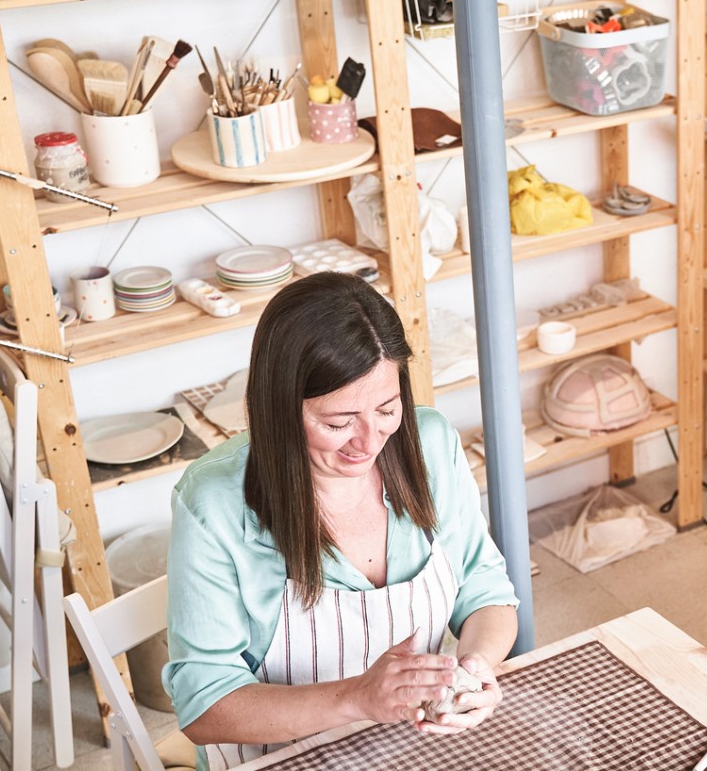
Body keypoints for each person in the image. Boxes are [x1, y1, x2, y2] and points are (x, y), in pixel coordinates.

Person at [164, 272, 520, 769]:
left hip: (406, 747)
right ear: (279, 409)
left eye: (387, 409)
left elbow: (484, 590)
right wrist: (358, 697)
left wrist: (475, 669)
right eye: (337, 423)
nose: (369, 442)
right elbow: (203, 704)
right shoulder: (214, 502)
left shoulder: (431, 443)